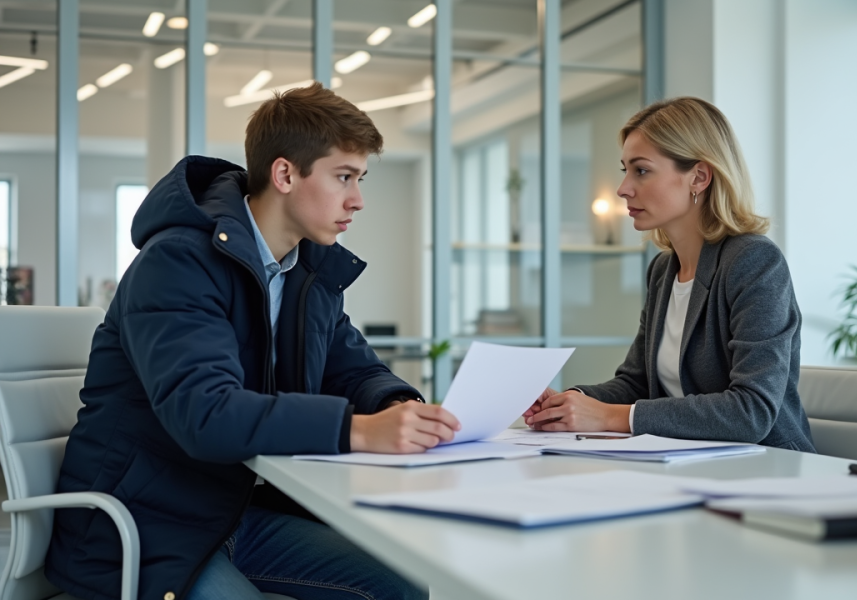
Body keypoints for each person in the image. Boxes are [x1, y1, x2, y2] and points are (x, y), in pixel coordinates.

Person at [45, 82, 459, 600]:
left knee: (398, 588)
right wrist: (360, 431)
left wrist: (398, 407)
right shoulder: (178, 262)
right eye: (344, 177)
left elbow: (352, 368)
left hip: (234, 512)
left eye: (360, 178)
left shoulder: (305, 270)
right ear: (285, 173)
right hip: (144, 524)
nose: (358, 200)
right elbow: (206, 413)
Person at [524, 97, 815, 453]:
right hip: (689, 461)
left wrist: (610, 417)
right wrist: (571, 402)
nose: (623, 188)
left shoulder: (754, 261)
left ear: (699, 177)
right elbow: (635, 383)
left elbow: (751, 412)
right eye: (625, 171)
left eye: (641, 170)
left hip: (768, 468)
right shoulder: (664, 270)